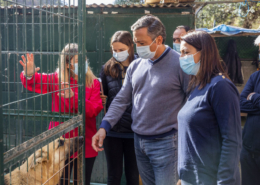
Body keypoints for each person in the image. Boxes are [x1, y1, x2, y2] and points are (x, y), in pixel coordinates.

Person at [92, 15, 189, 185]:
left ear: (158, 40)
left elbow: (193, 101)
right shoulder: (136, 65)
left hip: (167, 143)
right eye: (136, 42)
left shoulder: (179, 64)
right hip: (139, 142)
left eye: (142, 43)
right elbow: (121, 99)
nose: (137, 47)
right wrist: (104, 127)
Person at [19, 43, 103, 185]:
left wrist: (73, 97)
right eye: (77, 61)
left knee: (82, 181)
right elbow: (36, 82)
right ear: (68, 64)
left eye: (84, 60)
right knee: (60, 182)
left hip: (85, 141)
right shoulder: (57, 79)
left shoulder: (93, 83)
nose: (83, 64)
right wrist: (29, 74)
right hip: (60, 144)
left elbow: (94, 110)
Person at [177, 30, 241, 185]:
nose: (182, 58)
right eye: (180, 53)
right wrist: (183, 176)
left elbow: (232, 140)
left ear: (204, 53)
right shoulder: (197, 86)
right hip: (190, 178)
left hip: (210, 179)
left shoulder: (220, 86)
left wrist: (225, 181)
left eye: (186, 52)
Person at [99, 31, 139, 185]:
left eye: (121, 50)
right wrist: (101, 98)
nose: (117, 53)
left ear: (130, 46)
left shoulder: (141, 66)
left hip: (134, 130)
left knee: (133, 175)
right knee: (113, 175)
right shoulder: (107, 69)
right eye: (114, 50)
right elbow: (104, 96)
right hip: (113, 131)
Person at [240, 35, 260, 185]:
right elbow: (240, 102)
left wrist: (253, 97)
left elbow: (247, 99)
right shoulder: (255, 77)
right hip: (249, 150)